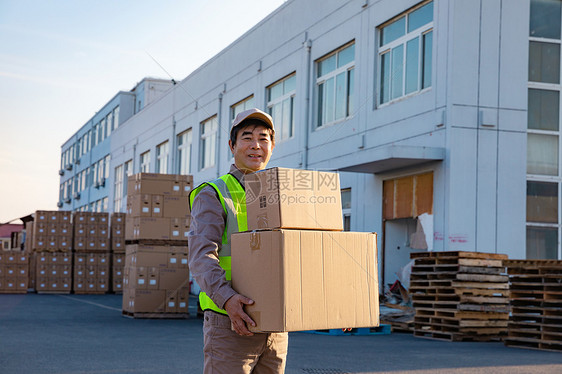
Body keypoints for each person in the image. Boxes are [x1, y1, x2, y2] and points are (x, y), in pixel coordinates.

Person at [188, 108, 289, 374]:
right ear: (232, 146)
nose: (256, 145)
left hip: (275, 328)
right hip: (229, 323)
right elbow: (201, 257)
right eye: (247, 137)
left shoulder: (282, 195)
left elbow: (301, 251)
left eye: (264, 138)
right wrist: (228, 299)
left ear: (272, 146)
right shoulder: (214, 193)